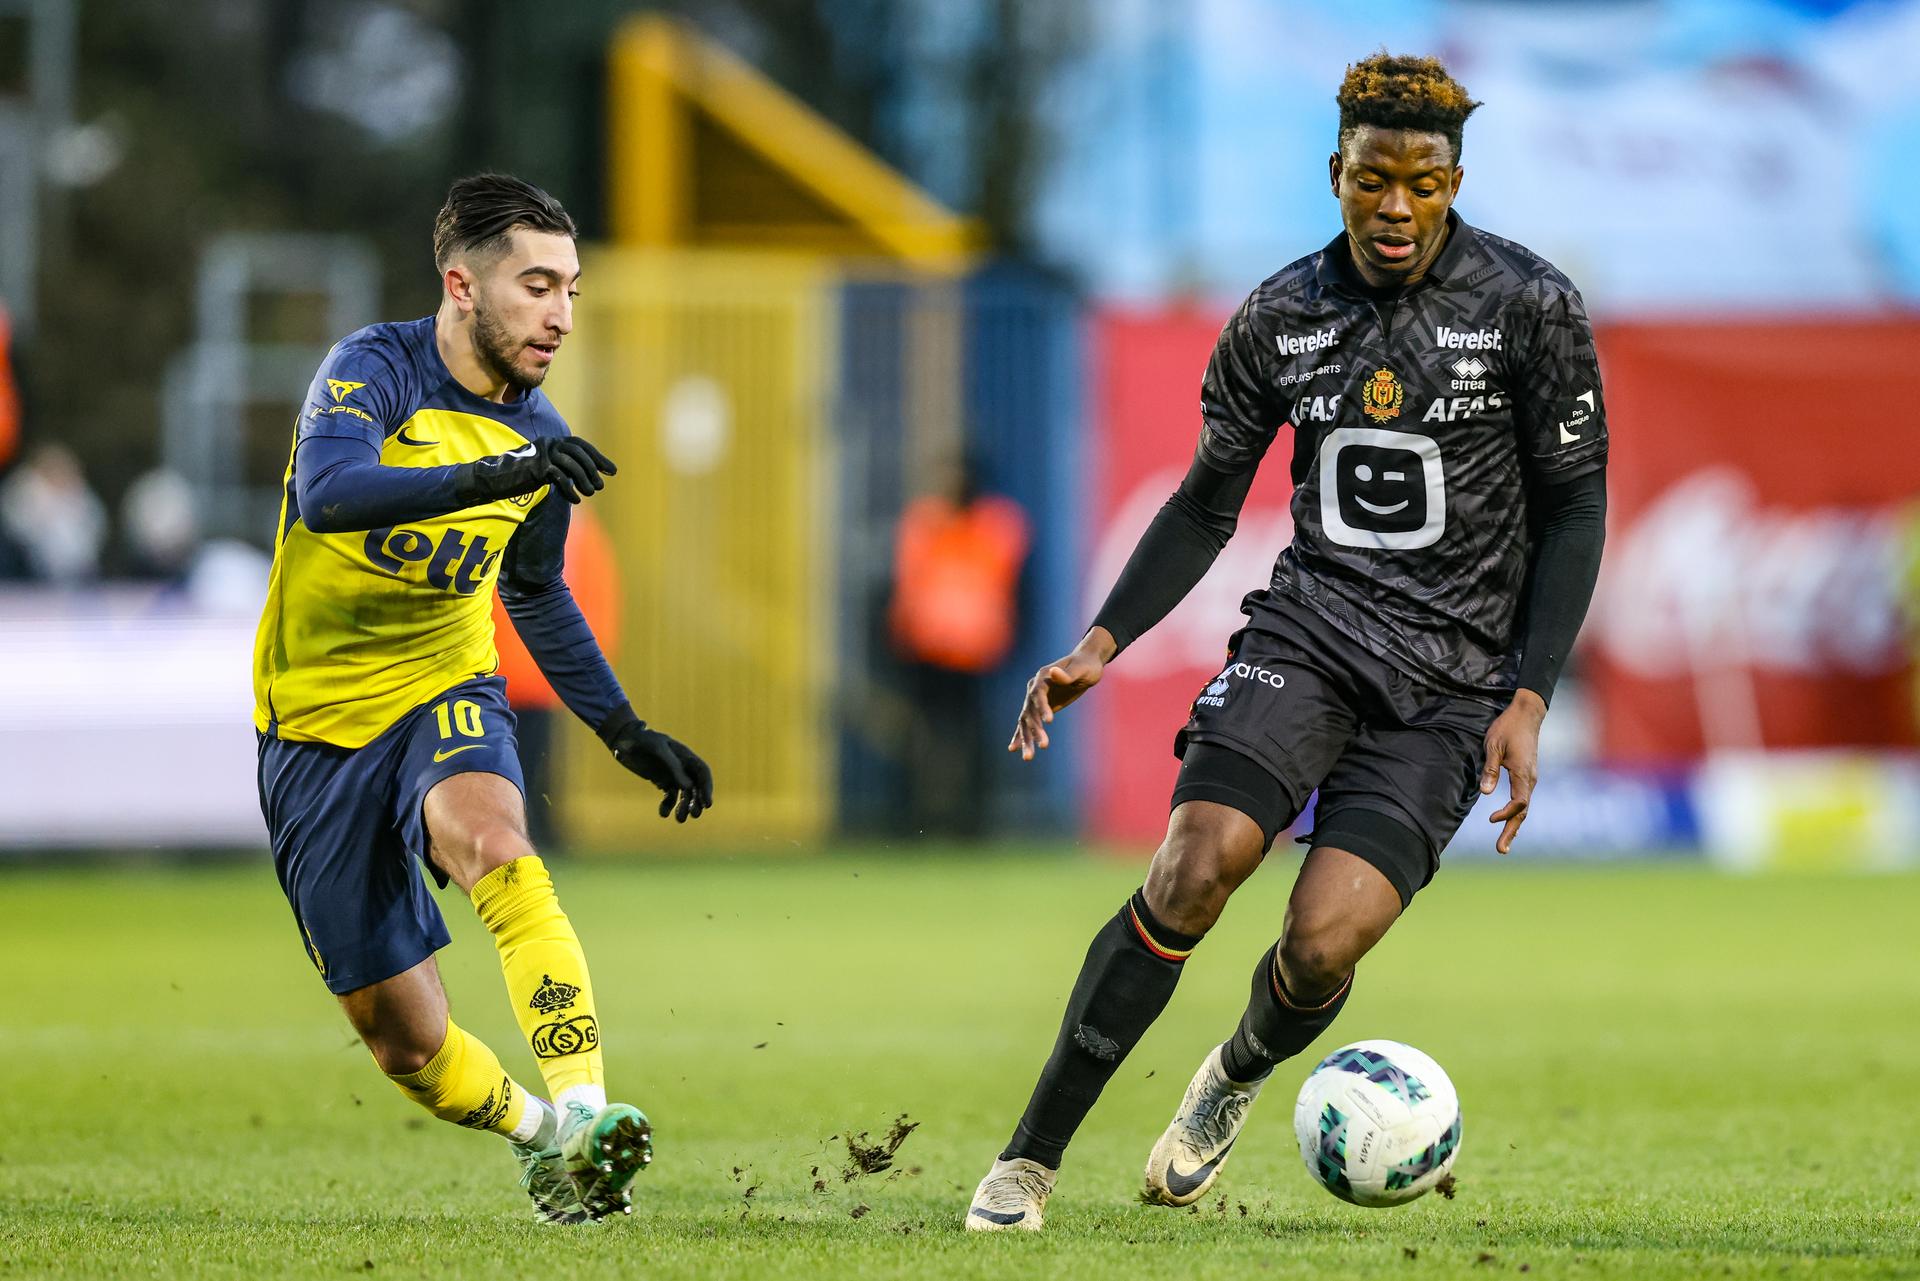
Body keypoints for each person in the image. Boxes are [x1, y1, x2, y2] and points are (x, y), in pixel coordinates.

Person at [966, 53, 1608, 1230]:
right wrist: (1105, 638)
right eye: (1373, 180)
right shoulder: (1277, 316)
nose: (1397, 207)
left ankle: (1232, 1079)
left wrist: (1531, 695)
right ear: (1337, 173)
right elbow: (1209, 502)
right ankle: (1027, 1160)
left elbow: (1574, 506)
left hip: (1453, 689)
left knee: (1322, 945)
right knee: (1195, 863)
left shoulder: (1532, 307)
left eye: (1422, 182)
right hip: (1309, 638)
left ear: (1455, 179)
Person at [252, 173, 714, 1225]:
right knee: (403, 1039)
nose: (558, 313)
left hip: (444, 685)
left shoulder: (538, 436)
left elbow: (537, 587)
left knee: (496, 840)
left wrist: (622, 728)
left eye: (572, 291)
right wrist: (495, 474)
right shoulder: (372, 368)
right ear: (461, 285)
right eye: (536, 285)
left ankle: (590, 1114)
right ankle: (544, 1141)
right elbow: (330, 496)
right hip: (314, 729)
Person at [886, 454, 1030, 836]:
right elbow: (905, 589)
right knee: (923, 738)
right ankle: (915, 820)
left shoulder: (997, 525)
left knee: (974, 737)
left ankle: (973, 820)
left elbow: (1018, 589)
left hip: (976, 653)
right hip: (927, 651)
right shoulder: (925, 523)